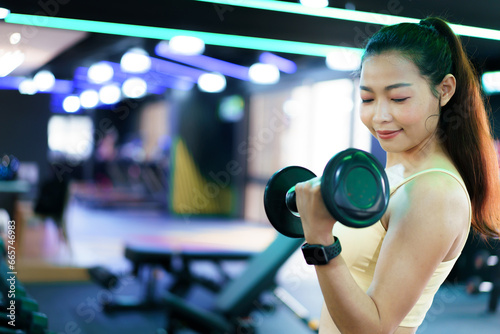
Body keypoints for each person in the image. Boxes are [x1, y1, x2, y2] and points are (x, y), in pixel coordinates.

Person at [294, 17, 500, 333]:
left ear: (444, 90)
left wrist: (320, 240)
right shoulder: (399, 172)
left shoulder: (435, 193)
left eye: (398, 98)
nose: (379, 116)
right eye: (367, 98)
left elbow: (374, 328)